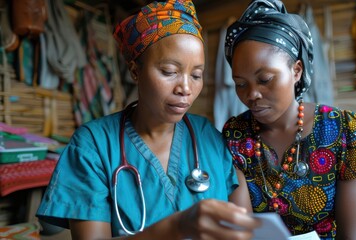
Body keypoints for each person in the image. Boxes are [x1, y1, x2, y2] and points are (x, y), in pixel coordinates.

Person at [36, 0, 260, 239]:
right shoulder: (94, 145)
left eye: (196, 75)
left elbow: (243, 227)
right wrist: (176, 227)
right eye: (169, 72)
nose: (185, 88)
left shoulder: (208, 137)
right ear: (135, 71)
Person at [222, 0, 356, 239]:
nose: (252, 95)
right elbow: (242, 230)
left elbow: (354, 236)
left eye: (265, 79)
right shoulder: (236, 135)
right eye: (241, 84)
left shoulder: (343, 131)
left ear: (296, 71)